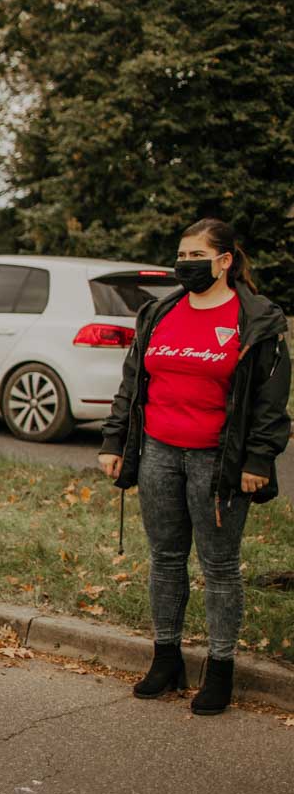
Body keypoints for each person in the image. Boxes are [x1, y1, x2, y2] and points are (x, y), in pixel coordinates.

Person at [98, 218, 289, 715]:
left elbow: (270, 402)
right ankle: (166, 659)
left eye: (196, 255)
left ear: (225, 261)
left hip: (218, 460)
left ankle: (219, 670)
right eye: (181, 254)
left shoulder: (257, 319)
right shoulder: (159, 312)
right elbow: (133, 381)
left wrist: (258, 459)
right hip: (159, 451)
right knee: (164, 558)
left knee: (220, 567)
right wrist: (115, 440)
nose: (185, 263)